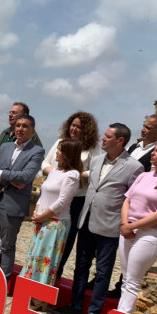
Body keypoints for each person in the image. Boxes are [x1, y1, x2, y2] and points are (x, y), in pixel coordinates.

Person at [51, 123, 143, 314]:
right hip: (86, 222)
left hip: (110, 227)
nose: (103, 139)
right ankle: (75, 304)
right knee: (80, 267)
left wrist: (126, 223)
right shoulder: (97, 160)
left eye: (108, 136)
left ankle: (93, 312)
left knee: (103, 272)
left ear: (120, 141)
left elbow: (132, 200)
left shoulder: (134, 167)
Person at [117, 138, 157, 314]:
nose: (153, 153)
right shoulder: (143, 176)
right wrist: (125, 224)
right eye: (155, 150)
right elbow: (127, 200)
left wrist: (132, 226)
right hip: (128, 229)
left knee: (132, 281)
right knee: (126, 279)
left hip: (149, 234)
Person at [108, 114, 157, 297]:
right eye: (143, 126)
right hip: (119, 203)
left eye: (148, 128)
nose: (143, 129)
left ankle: (121, 287)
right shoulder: (134, 147)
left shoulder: (156, 155)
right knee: (110, 247)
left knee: (130, 254)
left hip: (136, 208)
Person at [0, 115, 45, 282]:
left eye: (24, 126)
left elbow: (25, 177)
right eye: (18, 126)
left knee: (7, 245)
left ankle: (2, 281)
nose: (20, 129)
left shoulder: (37, 151)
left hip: (13, 204)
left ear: (32, 131)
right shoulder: (5, 147)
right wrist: (11, 178)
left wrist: (1, 174)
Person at [41, 111, 101, 279]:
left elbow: (96, 171)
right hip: (52, 196)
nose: (74, 129)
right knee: (44, 237)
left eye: (79, 127)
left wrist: (74, 174)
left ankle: (54, 277)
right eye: (73, 125)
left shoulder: (93, 148)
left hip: (75, 201)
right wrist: (56, 173)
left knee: (63, 242)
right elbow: (46, 162)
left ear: (87, 130)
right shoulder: (61, 142)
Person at [21, 139, 83, 295]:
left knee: (45, 259)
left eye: (60, 150)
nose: (57, 151)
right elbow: (43, 194)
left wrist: (42, 216)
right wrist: (36, 212)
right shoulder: (55, 171)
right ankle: (29, 289)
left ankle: (40, 296)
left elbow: (62, 201)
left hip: (55, 222)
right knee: (35, 256)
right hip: (42, 220)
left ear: (68, 153)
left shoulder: (73, 175)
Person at [0, 102, 43, 170]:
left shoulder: (31, 135)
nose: (10, 115)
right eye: (10, 112)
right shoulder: (4, 133)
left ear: (24, 115)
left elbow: (38, 158)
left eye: (14, 112)